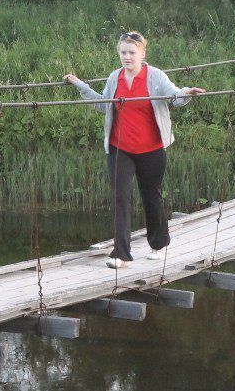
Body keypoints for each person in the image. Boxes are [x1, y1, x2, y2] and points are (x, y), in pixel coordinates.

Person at [65, 31, 205, 269]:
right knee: (120, 198)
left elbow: (174, 97)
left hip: (152, 148)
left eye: (131, 52)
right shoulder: (115, 78)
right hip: (121, 148)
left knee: (151, 196)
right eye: (123, 52)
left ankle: (158, 244)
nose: (127, 57)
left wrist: (187, 93)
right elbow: (103, 104)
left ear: (142, 53)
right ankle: (121, 254)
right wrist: (80, 86)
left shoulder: (155, 76)